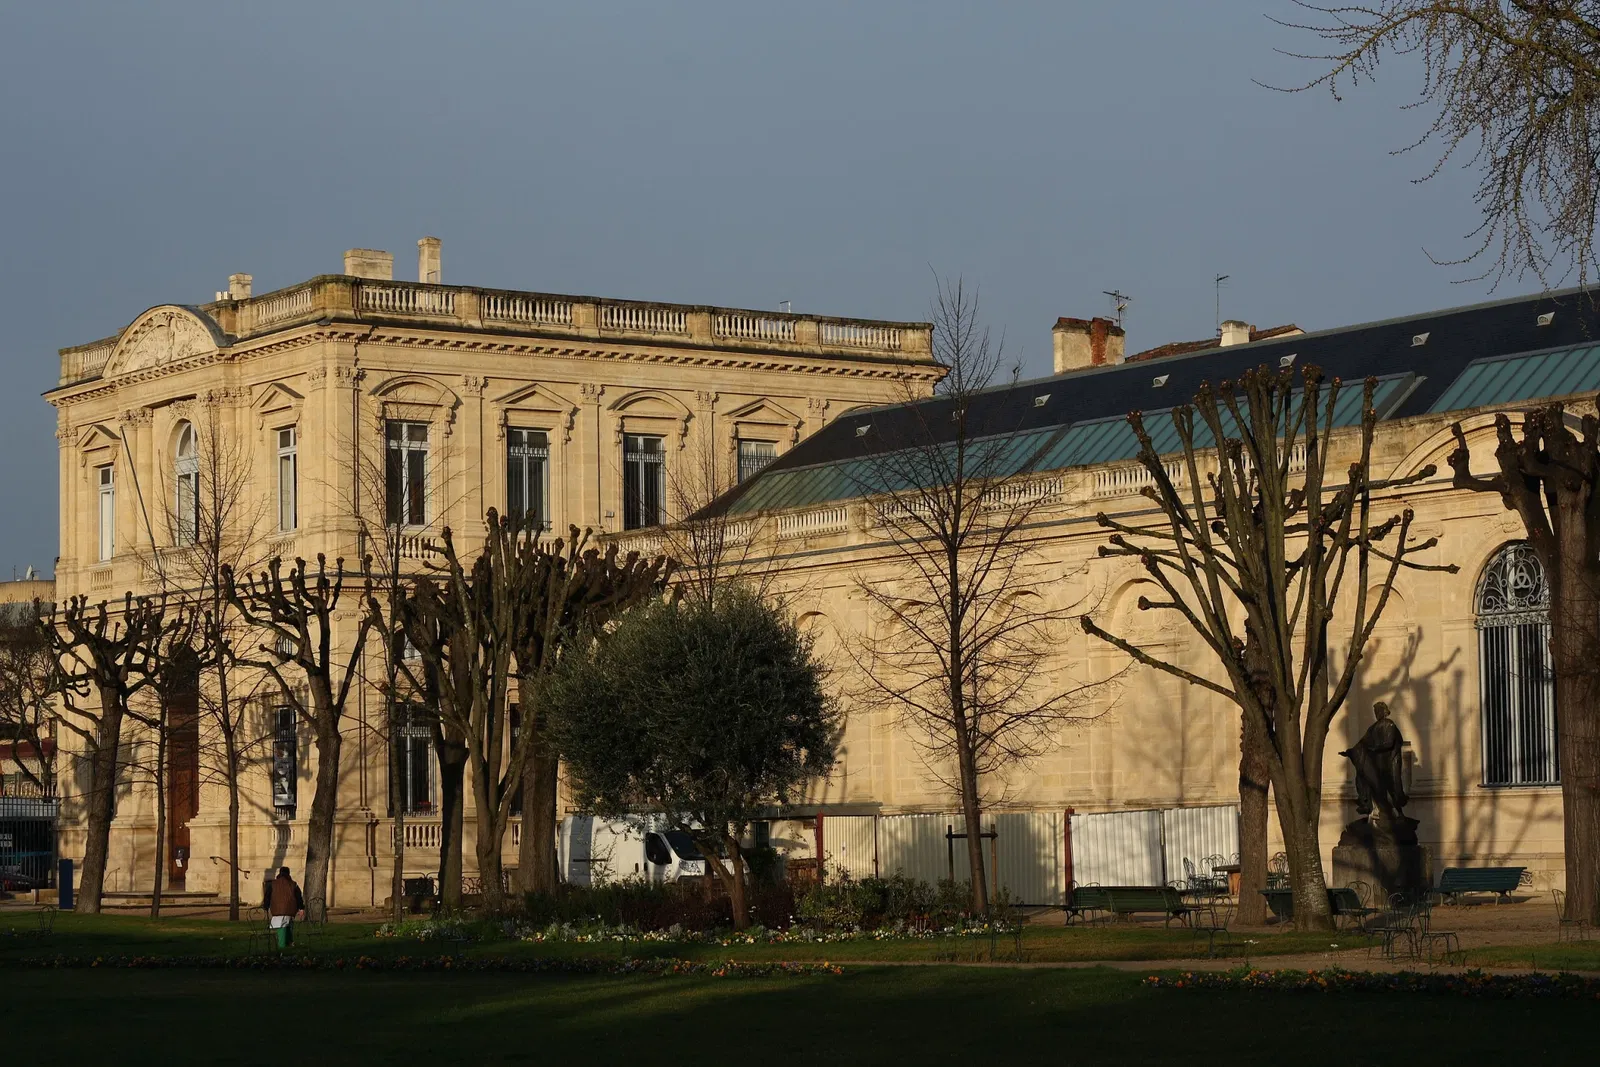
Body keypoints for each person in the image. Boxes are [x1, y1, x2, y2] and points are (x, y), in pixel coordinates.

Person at [1340, 701, 1409, 821]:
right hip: (1378, 761)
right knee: (1371, 782)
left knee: (1392, 785)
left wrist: (1375, 748)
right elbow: (1362, 744)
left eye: (1378, 711)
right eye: (1375, 712)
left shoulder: (1389, 724)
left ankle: (1399, 812)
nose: (1376, 714)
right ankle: (1372, 808)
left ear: (1384, 711)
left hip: (1390, 760)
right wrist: (1350, 752)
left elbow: (1390, 742)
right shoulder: (1373, 728)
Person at [264, 866, 305, 949]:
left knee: (281, 926)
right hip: (290, 910)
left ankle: (284, 944)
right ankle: (286, 944)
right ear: (288, 873)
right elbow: (298, 897)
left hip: (276, 910)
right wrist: (301, 908)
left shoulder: (273, 884)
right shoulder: (293, 884)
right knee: (287, 925)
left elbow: (267, 896)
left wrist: (266, 907)